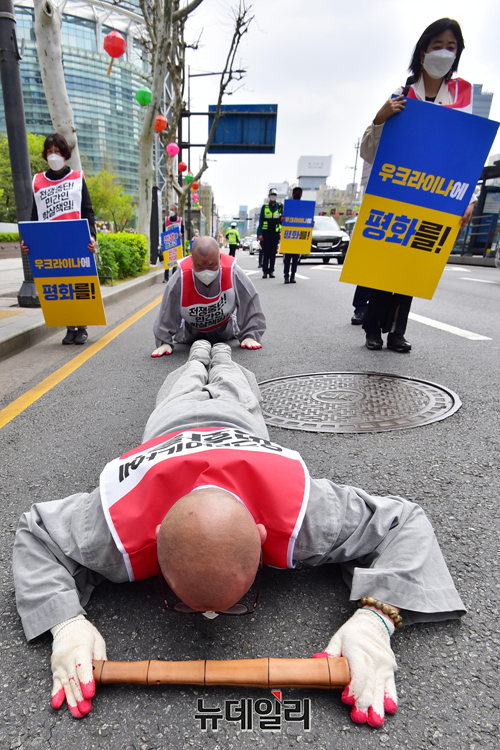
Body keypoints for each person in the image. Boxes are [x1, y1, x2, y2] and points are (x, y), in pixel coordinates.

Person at [13, 341, 465, 725]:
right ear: (156, 534)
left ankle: (221, 353)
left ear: (263, 534)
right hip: (171, 420)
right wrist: (65, 624)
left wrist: (376, 621)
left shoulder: (306, 512)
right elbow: (36, 530)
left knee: (230, 374)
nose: (211, 618)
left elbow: (405, 521)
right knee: (188, 374)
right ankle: (198, 352)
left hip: (238, 420)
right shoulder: (113, 523)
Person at [360, 18, 475, 353]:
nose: (444, 52)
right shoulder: (402, 95)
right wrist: (380, 118)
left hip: (434, 195)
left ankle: (397, 332)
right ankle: (373, 328)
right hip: (397, 192)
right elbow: (369, 152)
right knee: (386, 266)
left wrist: (467, 198)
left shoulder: (462, 97)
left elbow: (465, 154)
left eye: (451, 47)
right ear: (423, 51)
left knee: (412, 267)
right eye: (438, 45)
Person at [21, 133, 96, 345]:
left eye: (57, 151)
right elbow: (35, 216)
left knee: (77, 283)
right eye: (49, 151)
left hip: (75, 240)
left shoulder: (77, 178)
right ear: (45, 155)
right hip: (50, 242)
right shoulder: (38, 181)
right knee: (59, 285)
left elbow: (88, 211)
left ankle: (81, 327)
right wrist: (29, 241)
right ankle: (69, 328)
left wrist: (92, 236)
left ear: (65, 154)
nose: (53, 155)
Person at [151, 236, 265, 357]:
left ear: (219, 258)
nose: (206, 272)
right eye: (199, 267)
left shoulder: (232, 271)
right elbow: (168, 307)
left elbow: (249, 300)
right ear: (191, 259)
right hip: (190, 332)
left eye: (211, 266)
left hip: (225, 329)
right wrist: (164, 341)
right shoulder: (181, 276)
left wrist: (250, 335)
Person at [257, 188, 283, 278]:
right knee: (266, 253)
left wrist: (281, 233)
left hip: (275, 233)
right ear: (269, 196)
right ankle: (265, 271)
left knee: (273, 253)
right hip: (266, 233)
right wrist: (259, 234)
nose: (273, 197)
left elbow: (282, 221)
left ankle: (271, 271)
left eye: (274, 195)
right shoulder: (265, 207)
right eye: (272, 195)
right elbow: (261, 221)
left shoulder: (280, 207)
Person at [282, 186, 303, 284]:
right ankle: (286, 276)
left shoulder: (304, 206)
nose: (298, 195)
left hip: (298, 237)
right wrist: (281, 219)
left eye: (299, 193)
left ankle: (293, 276)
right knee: (287, 259)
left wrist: (311, 224)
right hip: (289, 236)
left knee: (295, 259)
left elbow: (307, 220)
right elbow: (281, 219)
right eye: (296, 193)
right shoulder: (288, 206)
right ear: (293, 194)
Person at [162, 204, 184, 283]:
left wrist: (181, 234)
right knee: (167, 261)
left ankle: (173, 278)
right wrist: (162, 242)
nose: (171, 211)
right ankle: (166, 277)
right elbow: (163, 231)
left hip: (176, 243)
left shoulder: (180, 220)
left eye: (173, 209)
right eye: (170, 209)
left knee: (174, 261)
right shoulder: (166, 220)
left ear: (176, 211)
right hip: (167, 243)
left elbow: (183, 231)